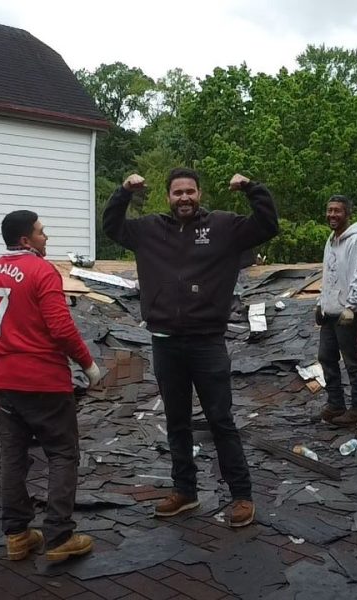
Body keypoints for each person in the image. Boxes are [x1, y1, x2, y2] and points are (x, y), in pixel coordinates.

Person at [103, 168, 279, 527]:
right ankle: (185, 491)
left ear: (200, 194)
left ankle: (241, 496)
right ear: (167, 196)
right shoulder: (149, 230)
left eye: (190, 191)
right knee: (176, 421)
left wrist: (251, 187)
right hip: (166, 342)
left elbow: (267, 224)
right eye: (177, 192)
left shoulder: (223, 227)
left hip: (206, 342)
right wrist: (123, 192)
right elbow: (111, 226)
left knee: (220, 419)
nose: (184, 197)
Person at [0, 210, 101, 562]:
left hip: (6, 383)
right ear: (26, 239)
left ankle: (17, 535)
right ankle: (59, 537)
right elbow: (60, 328)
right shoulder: (42, 271)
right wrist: (88, 365)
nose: (47, 238)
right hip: (44, 381)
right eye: (42, 233)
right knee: (62, 453)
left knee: (13, 458)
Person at [315, 194, 357, 425]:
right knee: (326, 357)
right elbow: (328, 274)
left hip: (348, 314)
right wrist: (321, 302)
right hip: (330, 312)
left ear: (348, 214)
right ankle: (335, 404)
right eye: (329, 210)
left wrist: (351, 306)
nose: (332, 215)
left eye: (337, 211)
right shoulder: (332, 239)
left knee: (353, 362)